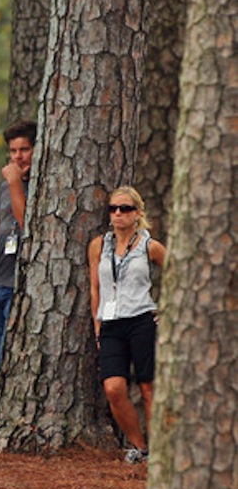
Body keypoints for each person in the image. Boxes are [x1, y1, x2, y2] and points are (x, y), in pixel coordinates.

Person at [88, 187, 165, 464]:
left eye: (125, 209)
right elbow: (94, 287)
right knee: (114, 388)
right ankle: (140, 447)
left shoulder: (149, 246)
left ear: (138, 213)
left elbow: (177, 273)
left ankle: (159, 451)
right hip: (110, 323)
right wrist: (97, 321)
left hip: (142, 319)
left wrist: (165, 309)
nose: (118, 214)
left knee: (148, 388)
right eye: (113, 209)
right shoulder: (99, 245)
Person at [0, 120, 37, 372]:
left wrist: (16, 182)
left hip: (16, 282)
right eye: (13, 151)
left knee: (8, 353)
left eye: (24, 150)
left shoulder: (38, 184)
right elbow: (0, 229)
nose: (17, 157)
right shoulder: (5, 186)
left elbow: (27, 224)